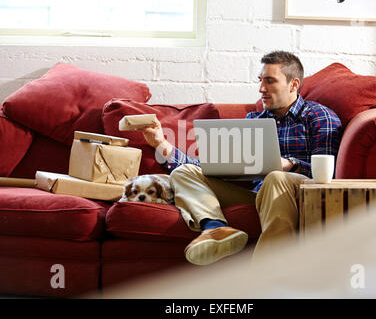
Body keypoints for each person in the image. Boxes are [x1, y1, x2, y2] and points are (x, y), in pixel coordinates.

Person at [141, 51, 342, 266]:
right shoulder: (253, 120)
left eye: (270, 81)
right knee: (184, 173)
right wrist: (162, 145)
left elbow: (326, 174)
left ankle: (266, 274)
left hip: (296, 192)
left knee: (276, 177)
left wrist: (289, 164)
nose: (261, 89)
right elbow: (212, 168)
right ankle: (216, 229)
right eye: (260, 81)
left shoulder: (319, 117)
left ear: (293, 85)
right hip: (256, 195)